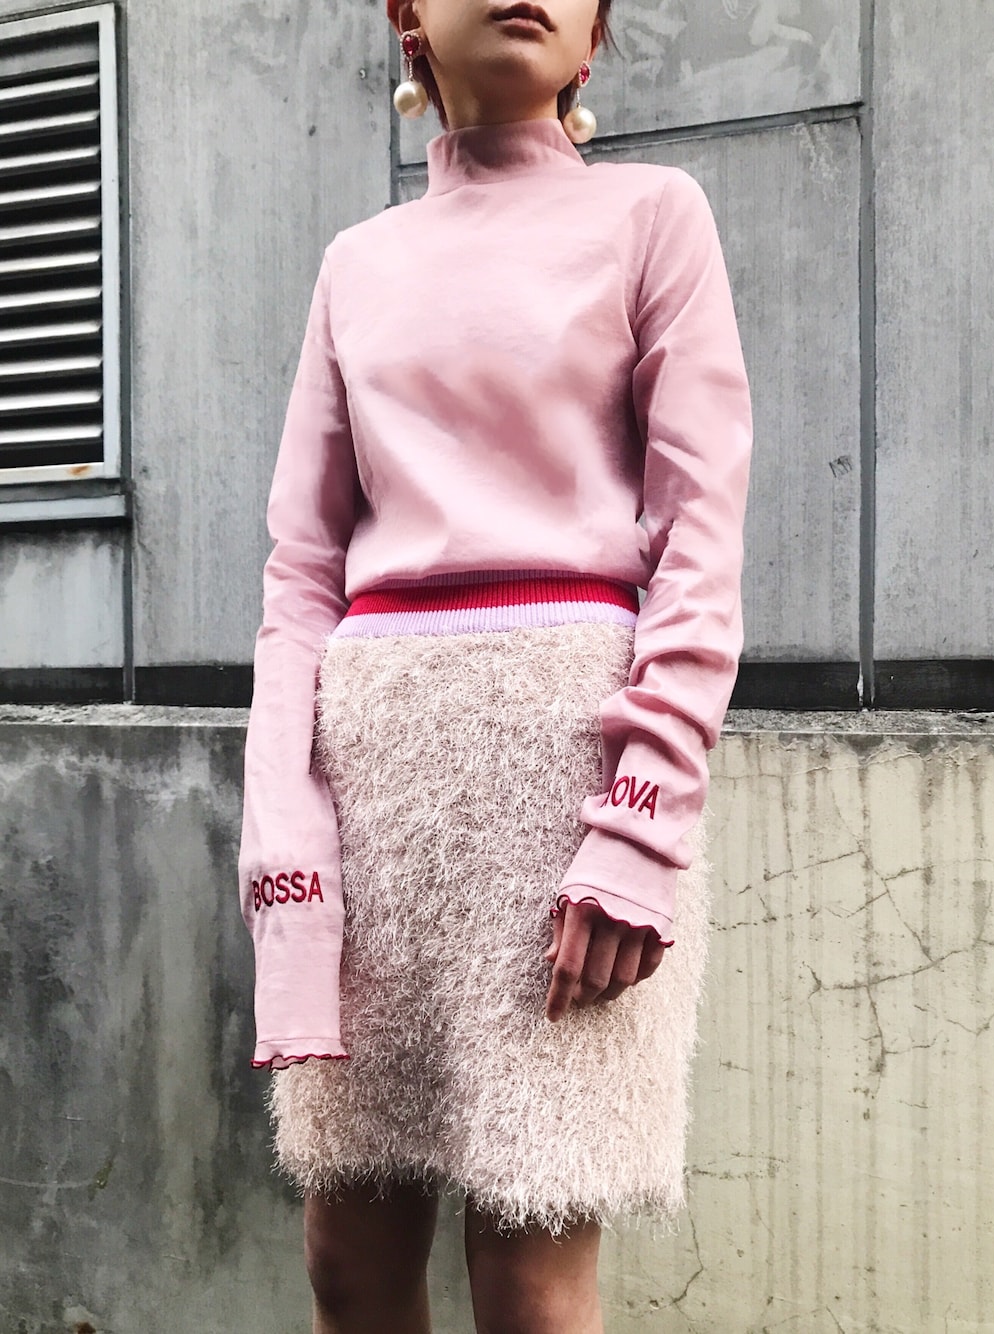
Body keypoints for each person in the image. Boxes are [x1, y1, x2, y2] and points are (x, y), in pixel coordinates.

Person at [237, 0, 753, 1329]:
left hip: (564, 785)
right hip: (374, 790)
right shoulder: (356, 263)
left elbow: (700, 532)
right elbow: (300, 570)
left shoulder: (654, 215)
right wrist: (284, 825)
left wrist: (641, 827)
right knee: (347, 1255)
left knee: (530, 1275)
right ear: (407, 16)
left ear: (595, 40)